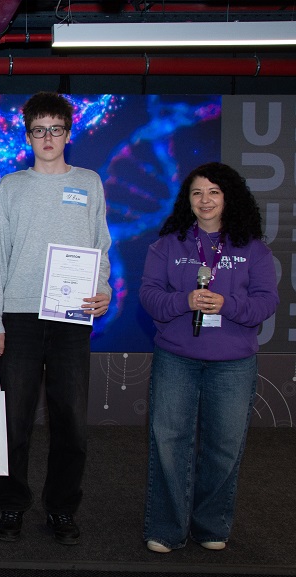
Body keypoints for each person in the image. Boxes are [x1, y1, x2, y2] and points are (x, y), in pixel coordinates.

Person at [0, 92, 112, 546]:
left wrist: (103, 289)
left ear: (68, 133)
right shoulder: (11, 186)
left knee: (71, 424)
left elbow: (101, 247)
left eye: (56, 129)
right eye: (39, 130)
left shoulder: (89, 182)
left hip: (71, 316)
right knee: (14, 423)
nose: (47, 137)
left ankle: (61, 508)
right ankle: (12, 505)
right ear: (27, 136)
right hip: (19, 317)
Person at [140, 162, 278, 553]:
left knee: (224, 446)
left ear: (228, 197)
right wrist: (184, 300)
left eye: (214, 192)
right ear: (187, 200)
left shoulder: (253, 249)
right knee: (169, 443)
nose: (205, 200)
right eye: (197, 192)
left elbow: (267, 302)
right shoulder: (167, 245)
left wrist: (227, 304)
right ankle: (166, 529)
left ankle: (211, 525)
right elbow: (149, 295)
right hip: (177, 357)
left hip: (233, 362)